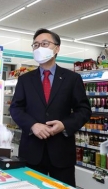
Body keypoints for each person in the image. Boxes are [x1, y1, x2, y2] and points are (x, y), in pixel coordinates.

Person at [9, 28, 91, 187]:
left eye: (44, 44)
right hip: (31, 151)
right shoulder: (25, 80)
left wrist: (64, 125)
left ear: (57, 48)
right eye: (36, 45)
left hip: (61, 152)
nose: (39, 48)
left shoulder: (72, 79)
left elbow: (84, 110)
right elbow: (16, 108)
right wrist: (33, 125)